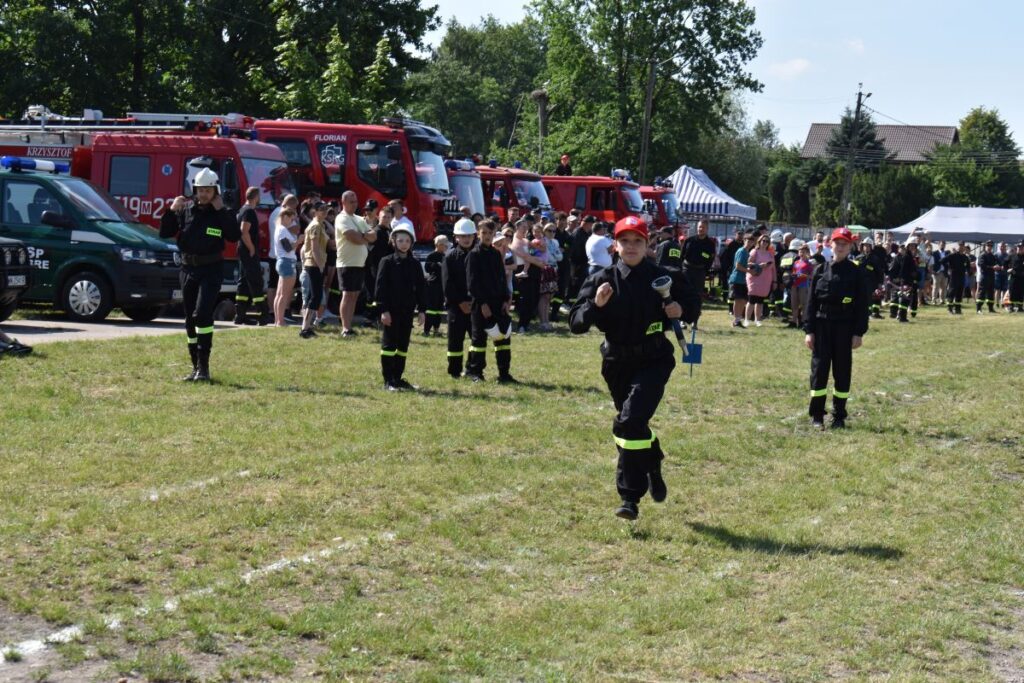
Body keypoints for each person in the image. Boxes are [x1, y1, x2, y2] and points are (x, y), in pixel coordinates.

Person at [569, 216, 700, 520]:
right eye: (624, 241)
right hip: (616, 362)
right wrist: (595, 306)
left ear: (647, 244)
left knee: (628, 421)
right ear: (614, 245)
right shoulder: (602, 279)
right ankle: (652, 460)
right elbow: (575, 323)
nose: (631, 247)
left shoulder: (664, 276)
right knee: (633, 425)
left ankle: (629, 497)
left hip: (653, 360)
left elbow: (693, 305)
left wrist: (680, 310)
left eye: (637, 241)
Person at [159, 168, 240, 382]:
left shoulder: (222, 212)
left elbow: (234, 235)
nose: (203, 194)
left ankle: (204, 368)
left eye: (208, 190)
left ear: (215, 191)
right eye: (200, 190)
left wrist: (222, 210)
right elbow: (165, 232)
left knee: (202, 314)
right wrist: (171, 210)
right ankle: (195, 367)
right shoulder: (186, 209)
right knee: (189, 319)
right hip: (187, 270)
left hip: (211, 270)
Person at [804, 227, 870, 429]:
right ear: (829, 244)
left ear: (850, 247)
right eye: (837, 243)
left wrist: (858, 332)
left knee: (842, 371)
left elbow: (862, 305)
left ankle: (839, 415)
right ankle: (817, 415)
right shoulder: (820, 270)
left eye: (845, 244)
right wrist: (809, 331)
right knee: (819, 371)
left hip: (845, 327)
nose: (840, 247)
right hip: (822, 326)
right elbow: (811, 303)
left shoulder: (856, 272)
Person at [376, 225, 427, 391]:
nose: (404, 244)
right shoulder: (386, 262)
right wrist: (383, 310)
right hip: (391, 311)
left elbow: (421, 288)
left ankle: (398, 378)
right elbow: (380, 288)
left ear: (411, 242)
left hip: (407, 311)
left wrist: (422, 310)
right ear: (393, 242)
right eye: (400, 240)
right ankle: (388, 380)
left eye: (407, 240)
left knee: (403, 346)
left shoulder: (415, 264)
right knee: (389, 345)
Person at [465, 219, 517, 384]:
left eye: (490, 233)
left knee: (503, 339)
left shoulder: (495, 254)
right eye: (484, 233)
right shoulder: (473, 255)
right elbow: (472, 284)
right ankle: (475, 372)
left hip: (498, 303)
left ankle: (504, 373)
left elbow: (502, 279)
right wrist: (483, 304)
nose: (487, 236)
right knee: (479, 340)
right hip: (481, 305)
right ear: (478, 234)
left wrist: (506, 298)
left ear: (495, 234)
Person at [335, 190, 377, 336]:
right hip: (346, 263)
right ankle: (345, 328)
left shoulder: (359, 219)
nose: (355, 204)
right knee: (347, 295)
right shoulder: (342, 218)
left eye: (356, 201)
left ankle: (349, 325)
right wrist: (364, 237)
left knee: (354, 295)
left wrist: (363, 236)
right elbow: (352, 237)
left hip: (359, 263)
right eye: (351, 202)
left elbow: (373, 236)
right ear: (344, 202)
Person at [442, 218, 476, 378]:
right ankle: (454, 371)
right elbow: (448, 284)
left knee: (476, 340)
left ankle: (472, 369)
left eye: (469, 235)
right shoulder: (450, 257)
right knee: (455, 340)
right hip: (456, 306)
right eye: (463, 236)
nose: (466, 239)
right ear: (456, 237)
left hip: (475, 305)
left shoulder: (478, 256)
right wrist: (460, 302)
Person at [233, 187, 271, 326]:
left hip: (243, 250)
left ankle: (240, 315)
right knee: (256, 281)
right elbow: (244, 231)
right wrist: (251, 247)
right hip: (248, 251)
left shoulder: (242, 210)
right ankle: (263, 314)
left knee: (243, 282)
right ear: (256, 197)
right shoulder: (248, 211)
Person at [298, 202, 329, 339]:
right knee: (315, 297)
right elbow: (314, 247)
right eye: (321, 210)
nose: (324, 212)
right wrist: (320, 264)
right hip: (314, 264)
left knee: (313, 296)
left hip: (315, 264)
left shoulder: (320, 225)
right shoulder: (315, 226)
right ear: (315, 211)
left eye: (326, 209)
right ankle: (305, 328)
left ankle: (306, 327)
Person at [272, 208, 300, 327]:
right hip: (287, 262)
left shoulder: (279, 229)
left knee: (279, 294)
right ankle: (280, 321)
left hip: (283, 261)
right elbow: (288, 248)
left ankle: (277, 320)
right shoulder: (283, 230)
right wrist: (299, 241)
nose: (291, 222)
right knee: (284, 294)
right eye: (291, 219)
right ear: (285, 217)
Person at [744, 234, 776, 327]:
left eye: (767, 241)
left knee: (760, 301)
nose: (765, 243)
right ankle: (747, 319)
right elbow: (748, 263)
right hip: (754, 277)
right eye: (763, 240)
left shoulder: (770, 254)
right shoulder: (754, 251)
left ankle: (757, 320)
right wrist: (759, 265)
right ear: (759, 241)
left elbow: (773, 269)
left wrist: (775, 281)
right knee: (751, 299)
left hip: (766, 279)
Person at [728, 233, 755, 327]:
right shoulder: (741, 251)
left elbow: (743, 265)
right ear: (744, 240)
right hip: (737, 279)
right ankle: (736, 320)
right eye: (748, 240)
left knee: (743, 300)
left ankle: (738, 319)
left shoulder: (747, 252)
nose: (750, 243)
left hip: (743, 280)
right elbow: (738, 266)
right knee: (738, 300)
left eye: (752, 241)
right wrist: (749, 271)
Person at [423, 235, 448, 336]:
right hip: (433, 285)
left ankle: (436, 329)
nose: (446, 247)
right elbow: (427, 268)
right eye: (445, 245)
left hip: (441, 286)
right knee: (431, 309)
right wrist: (436, 265)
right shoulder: (432, 255)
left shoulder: (445, 257)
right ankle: (427, 330)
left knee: (438, 309)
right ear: (439, 245)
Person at [568, 215, 595, 301]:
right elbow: (573, 248)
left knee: (580, 282)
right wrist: (573, 262)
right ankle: (569, 300)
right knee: (573, 282)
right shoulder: (578, 232)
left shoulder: (588, 233)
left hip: (584, 262)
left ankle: (575, 299)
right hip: (576, 262)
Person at [940, 242, 971, 315]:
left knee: (959, 293)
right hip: (954, 276)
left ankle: (958, 309)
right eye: (960, 246)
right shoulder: (952, 255)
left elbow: (968, 266)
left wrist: (968, 271)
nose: (961, 247)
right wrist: (948, 269)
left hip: (962, 276)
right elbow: (942, 261)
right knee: (952, 292)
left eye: (963, 246)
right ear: (957, 247)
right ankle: (949, 309)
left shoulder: (965, 257)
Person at [790, 241, 813, 328]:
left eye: (803, 252)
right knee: (794, 304)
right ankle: (793, 321)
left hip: (804, 286)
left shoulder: (809, 264)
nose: (801, 253)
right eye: (800, 251)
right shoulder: (796, 262)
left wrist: (803, 275)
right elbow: (794, 272)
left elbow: (811, 276)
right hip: (795, 285)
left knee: (804, 304)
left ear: (807, 253)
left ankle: (804, 322)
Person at [976, 240, 999, 314]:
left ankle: (991, 308)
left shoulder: (992, 255)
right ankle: (978, 309)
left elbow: (996, 262)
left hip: (991, 276)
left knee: (990, 293)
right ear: (985, 246)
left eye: (991, 246)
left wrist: (998, 266)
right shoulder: (982, 255)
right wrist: (992, 267)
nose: (989, 247)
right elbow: (982, 266)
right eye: (988, 245)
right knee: (982, 292)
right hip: (984, 276)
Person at [1008, 241, 1024, 313]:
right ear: (1016, 248)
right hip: (1013, 277)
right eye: (1019, 247)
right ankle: (1011, 306)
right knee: (1012, 291)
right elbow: (1004, 265)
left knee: (1021, 292)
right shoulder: (1011, 256)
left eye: (1021, 247)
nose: (1020, 248)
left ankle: (1020, 307)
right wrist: (1008, 269)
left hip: (1022, 277)